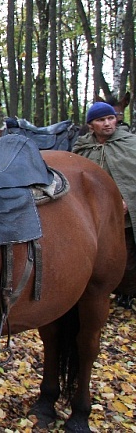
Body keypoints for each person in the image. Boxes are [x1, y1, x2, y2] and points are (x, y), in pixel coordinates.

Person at [73, 101, 136, 308]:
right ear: (91, 125)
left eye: (110, 118)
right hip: (93, 218)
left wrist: (128, 201)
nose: (107, 123)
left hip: (124, 217)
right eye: (101, 120)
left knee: (126, 258)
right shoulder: (82, 148)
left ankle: (127, 293)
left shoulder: (130, 144)